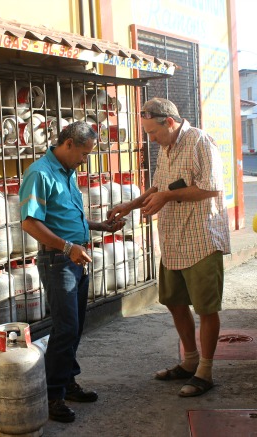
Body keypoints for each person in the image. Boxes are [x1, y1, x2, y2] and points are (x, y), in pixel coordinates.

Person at [107, 98, 230, 397]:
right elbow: (158, 187)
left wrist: (165, 198)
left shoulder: (200, 141)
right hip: (174, 238)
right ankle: (189, 362)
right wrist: (131, 204)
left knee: (205, 308)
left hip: (201, 237)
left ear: (170, 123)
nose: (151, 139)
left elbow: (211, 187)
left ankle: (206, 371)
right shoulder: (167, 147)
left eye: (152, 132)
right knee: (174, 302)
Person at [19, 121, 125, 423]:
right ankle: (52, 396)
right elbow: (30, 223)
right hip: (58, 261)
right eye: (83, 153)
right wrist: (67, 248)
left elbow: (65, 216)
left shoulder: (67, 171)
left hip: (75, 258)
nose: (85, 159)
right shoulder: (40, 173)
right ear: (68, 144)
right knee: (65, 328)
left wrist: (99, 226)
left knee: (75, 327)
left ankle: (66, 382)